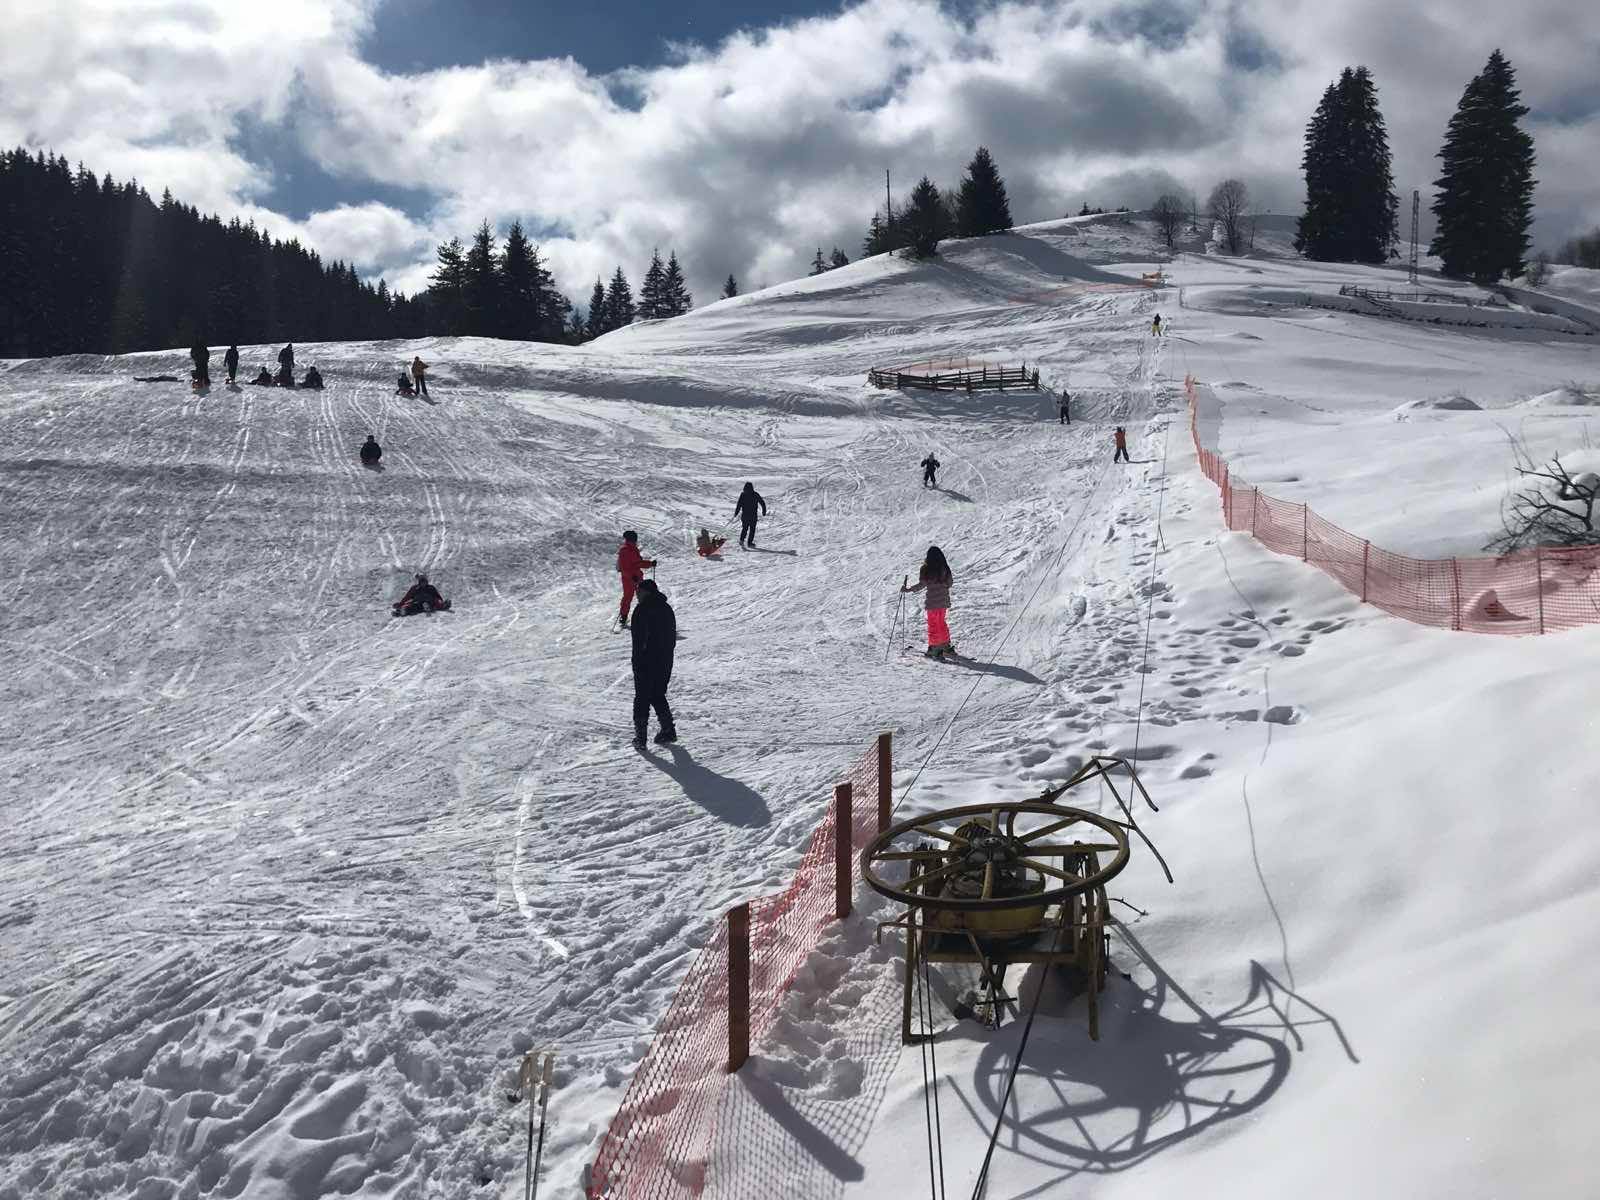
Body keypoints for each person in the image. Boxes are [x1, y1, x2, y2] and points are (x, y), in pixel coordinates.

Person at [630, 578, 677, 747]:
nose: (636, 594)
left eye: (639, 591)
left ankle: (641, 738)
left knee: (642, 697)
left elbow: (638, 640)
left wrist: (637, 661)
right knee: (657, 694)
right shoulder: (666, 609)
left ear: (646, 592)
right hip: (665, 660)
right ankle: (668, 730)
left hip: (646, 661)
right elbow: (672, 637)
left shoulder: (642, 610)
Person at [902, 545, 955, 658]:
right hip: (943, 603)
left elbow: (922, 585)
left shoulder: (926, 569)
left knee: (933, 625)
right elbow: (950, 583)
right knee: (941, 623)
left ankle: (935, 648)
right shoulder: (945, 568)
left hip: (932, 603)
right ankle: (946, 645)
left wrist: (908, 589)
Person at [616, 530, 656, 628]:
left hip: (636, 577)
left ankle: (644, 616)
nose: (635, 541)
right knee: (630, 597)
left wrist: (650, 564)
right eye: (634, 539)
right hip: (629, 579)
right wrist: (631, 577)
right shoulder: (625, 550)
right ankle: (624, 617)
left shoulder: (633, 549)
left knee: (642, 596)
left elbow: (638, 563)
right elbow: (624, 567)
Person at [734, 482, 766, 549]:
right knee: (752, 529)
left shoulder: (743, 494)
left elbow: (739, 505)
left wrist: (736, 513)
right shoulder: (755, 494)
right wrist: (764, 511)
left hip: (745, 515)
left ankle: (741, 540)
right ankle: (749, 543)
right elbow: (762, 503)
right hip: (753, 516)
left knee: (745, 528)